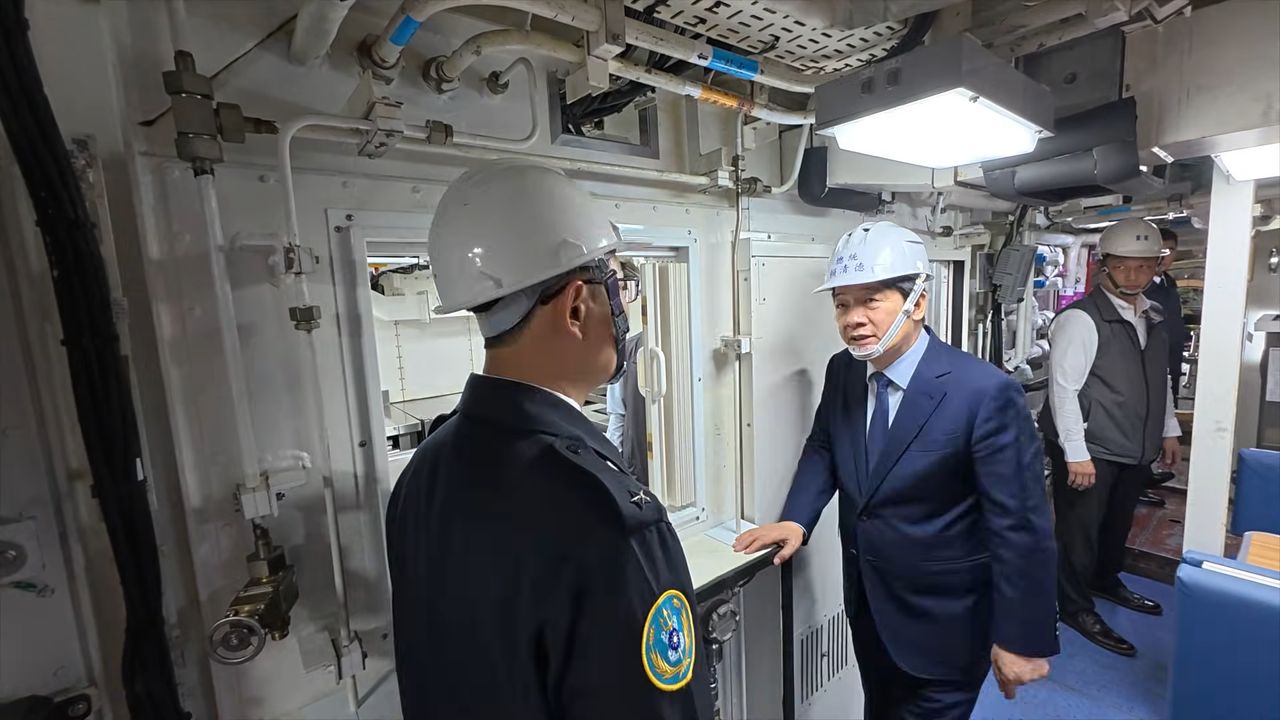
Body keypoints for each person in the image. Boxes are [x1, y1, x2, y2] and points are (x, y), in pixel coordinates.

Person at [385, 161, 712, 720]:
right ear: (577, 306)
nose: (625, 309)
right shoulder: (605, 516)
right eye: (619, 287)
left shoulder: (425, 470)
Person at [734, 221, 1058, 719]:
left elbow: (1021, 524)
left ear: (917, 303)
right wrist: (798, 518)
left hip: (947, 626)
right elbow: (824, 445)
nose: (853, 319)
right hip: (870, 609)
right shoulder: (844, 370)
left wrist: (1022, 637)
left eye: (871, 301)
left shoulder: (984, 393)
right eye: (842, 304)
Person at [1039, 217, 1183, 657]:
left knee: (1117, 524)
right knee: (1079, 534)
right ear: (1105, 265)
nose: (1133, 275)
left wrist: (1168, 429)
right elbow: (1062, 389)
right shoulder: (1081, 320)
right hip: (1091, 447)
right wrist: (1075, 453)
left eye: (1143, 266)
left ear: (1156, 266)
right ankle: (1074, 606)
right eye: (1122, 266)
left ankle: (1104, 580)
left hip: (1133, 445)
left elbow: (1159, 379)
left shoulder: (1152, 315)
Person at [1140, 227, 1188, 503]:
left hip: (1170, 358)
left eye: (1169, 250)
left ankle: (1148, 470)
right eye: (1160, 250)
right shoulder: (1143, 286)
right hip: (1150, 362)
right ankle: (1140, 475)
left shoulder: (1168, 283)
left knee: (1162, 414)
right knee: (1147, 417)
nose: (1164, 256)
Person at [606, 259, 649, 485]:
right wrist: (615, 470)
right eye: (620, 289)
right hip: (637, 468)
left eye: (624, 289)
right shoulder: (629, 350)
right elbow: (618, 414)